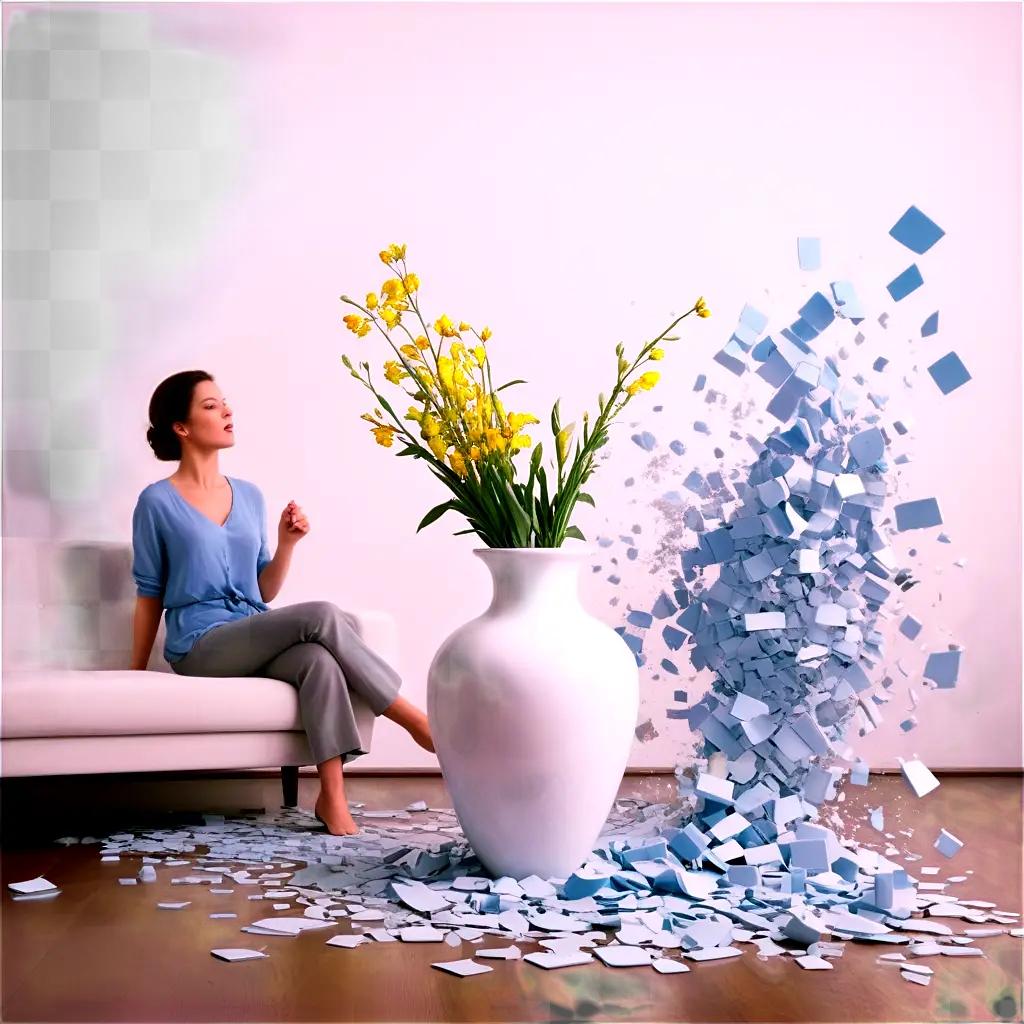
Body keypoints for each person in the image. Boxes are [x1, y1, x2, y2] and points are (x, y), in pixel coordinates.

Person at [130, 370, 433, 836]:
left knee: (317, 660)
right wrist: (131, 675)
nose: (227, 411)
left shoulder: (249, 495)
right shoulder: (156, 502)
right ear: (181, 427)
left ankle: (331, 797)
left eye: (225, 402)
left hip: (251, 627)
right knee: (323, 615)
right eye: (211, 406)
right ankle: (412, 718)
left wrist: (286, 543)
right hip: (200, 645)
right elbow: (149, 592)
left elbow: (263, 592)